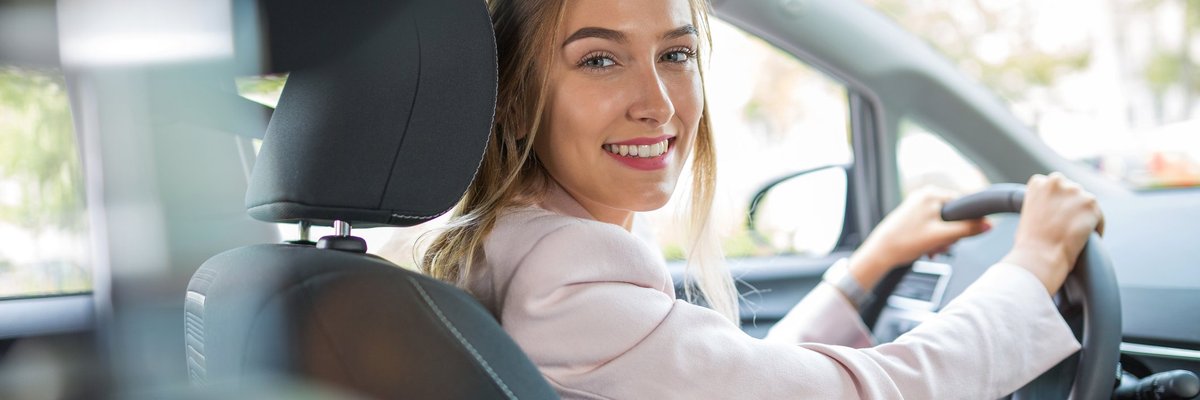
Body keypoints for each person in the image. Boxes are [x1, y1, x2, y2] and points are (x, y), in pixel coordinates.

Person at [419, 0, 1105, 398]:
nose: (658, 104)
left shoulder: (509, 249)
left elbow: (740, 384)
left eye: (675, 55)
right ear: (513, 101)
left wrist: (866, 268)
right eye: (600, 59)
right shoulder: (569, 284)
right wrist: (1034, 266)